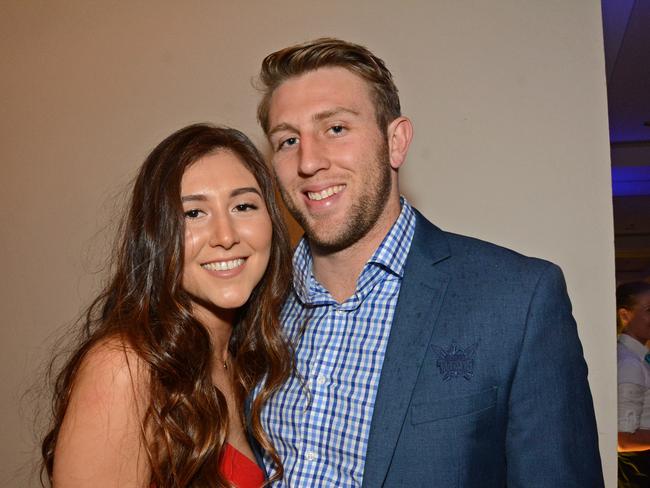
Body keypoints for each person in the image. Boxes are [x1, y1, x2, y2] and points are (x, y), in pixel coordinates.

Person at [254, 38, 604, 487]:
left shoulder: (518, 300)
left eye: (336, 128)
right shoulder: (253, 302)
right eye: (287, 140)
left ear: (395, 142)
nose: (308, 161)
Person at [40, 124, 293, 487]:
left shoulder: (253, 362)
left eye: (243, 206)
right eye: (193, 213)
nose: (226, 236)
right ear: (156, 235)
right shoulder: (126, 368)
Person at [617, 281, 650, 486]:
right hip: (637, 470)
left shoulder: (637, 359)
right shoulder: (629, 362)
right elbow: (623, 440)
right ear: (624, 315)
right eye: (649, 309)